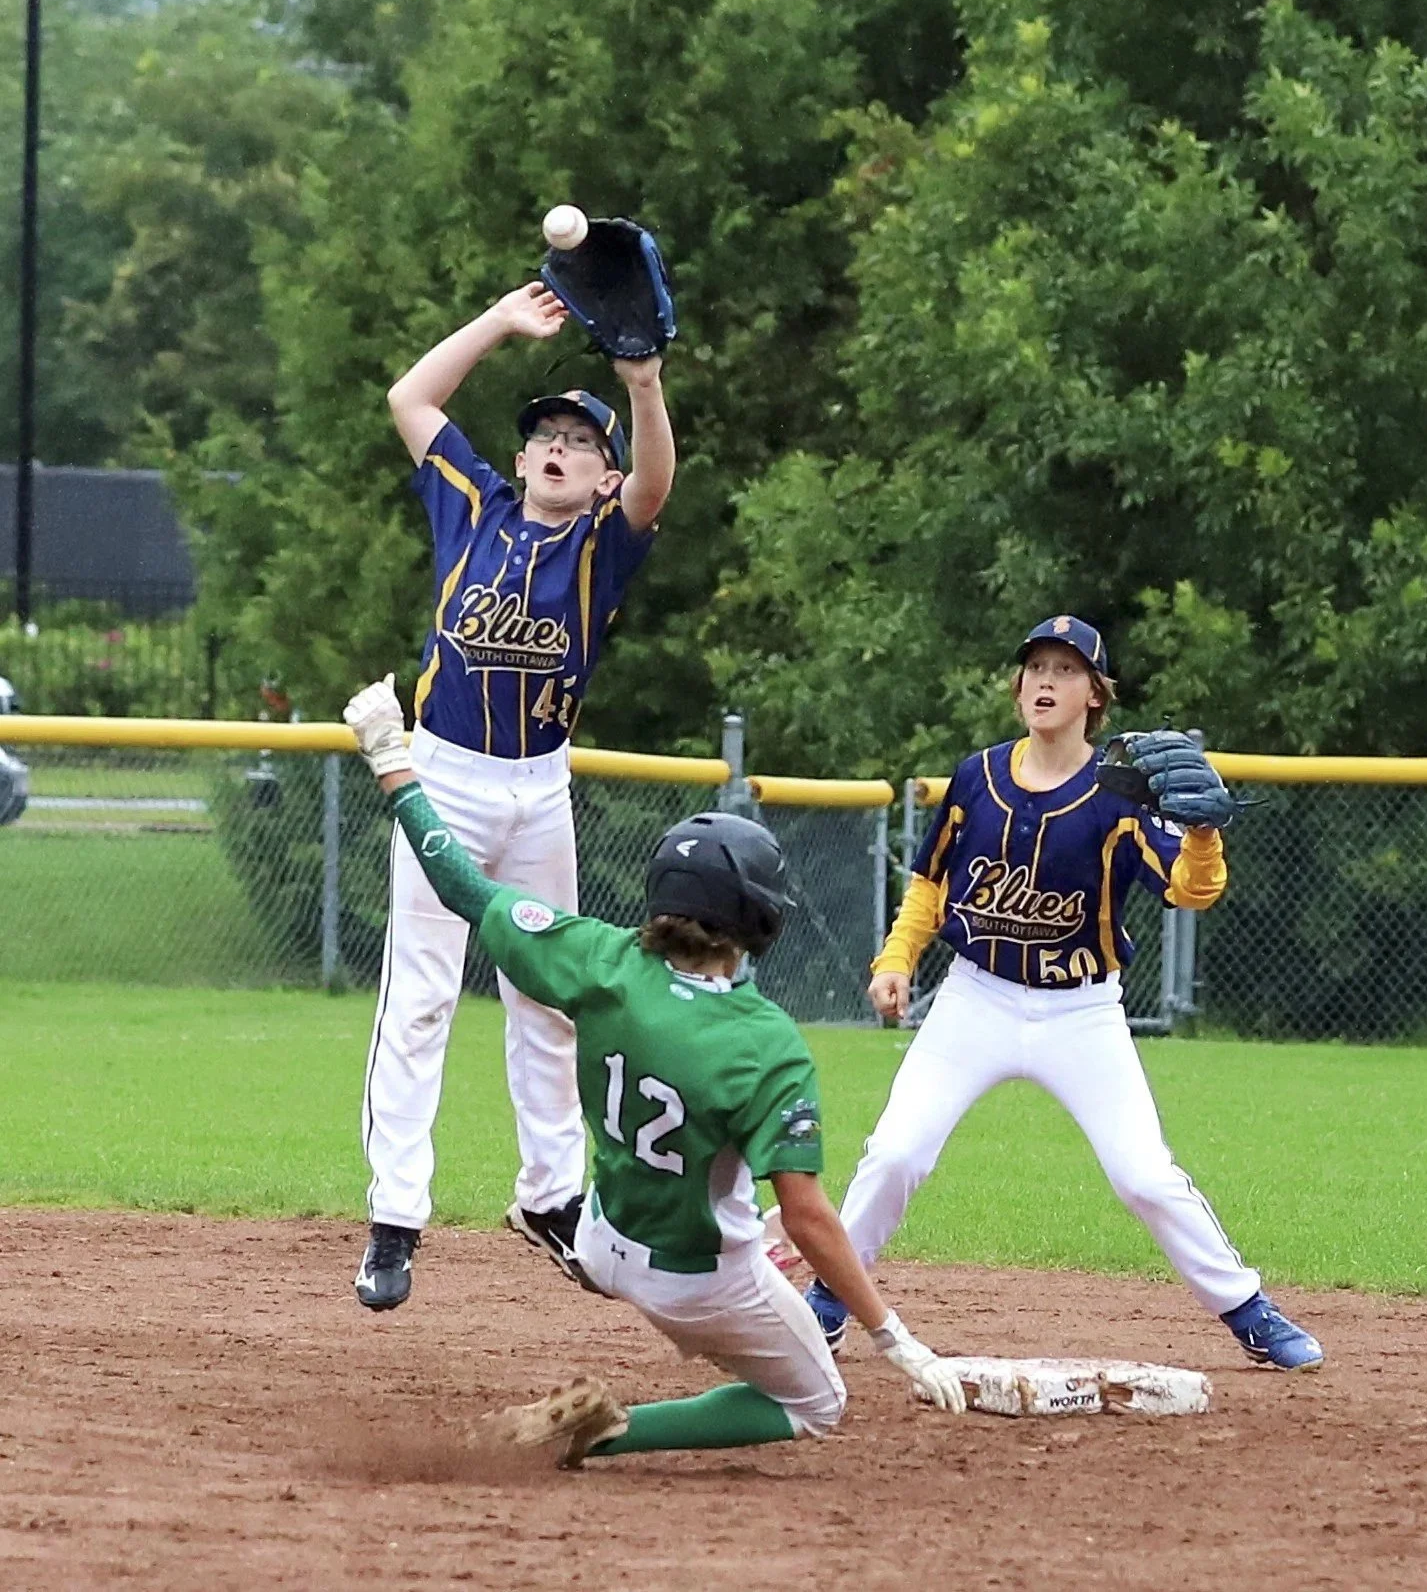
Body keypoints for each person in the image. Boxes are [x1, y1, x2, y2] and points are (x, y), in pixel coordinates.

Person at [342, 675, 965, 1460]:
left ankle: (633, 1251)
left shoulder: (599, 960)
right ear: (756, 915)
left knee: (730, 1203)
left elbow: (463, 887)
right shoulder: (764, 1043)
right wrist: (892, 1334)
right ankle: (609, 1433)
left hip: (603, 1240)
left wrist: (391, 761)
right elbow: (807, 1214)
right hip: (696, 1281)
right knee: (817, 1401)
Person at [804, 615, 1324, 1372]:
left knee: (1144, 1176)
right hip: (975, 999)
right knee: (895, 1153)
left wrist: (1204, 836)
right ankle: (829, 1298)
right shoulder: (976, 777)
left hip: (1081, 1011)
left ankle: (1249, 1309)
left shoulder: (1120, 797)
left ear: (1094, 695)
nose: (1046, 682)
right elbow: (929, 885)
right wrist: (897, 960)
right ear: (1019, 688)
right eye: (1036, 669)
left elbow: (1191, 889)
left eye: (1066, 670)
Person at [355, 280, 676, 1311]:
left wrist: (642, 383)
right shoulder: (473, 503)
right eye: (545, 434)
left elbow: (657, 483)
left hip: (539, 791)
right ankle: (395, 1217)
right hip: (443, 775)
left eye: (580, 441)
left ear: (601, 475)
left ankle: (549, 1196)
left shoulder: (601, 542)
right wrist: (498, 323)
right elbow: (410, 398)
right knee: (420, 998)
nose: (557, 448)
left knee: (547, 996)